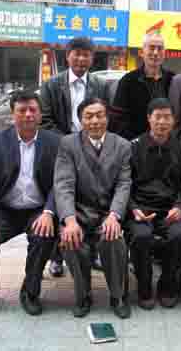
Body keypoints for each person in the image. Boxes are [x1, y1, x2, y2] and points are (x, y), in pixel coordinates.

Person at [0, 91, 59, 316]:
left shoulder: (54, 142)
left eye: (33, 110)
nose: (28, 114)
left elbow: (58, 182)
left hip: (37, 209)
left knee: (44, 236)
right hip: (6, 210)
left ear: (40, 114)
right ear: (13, 115)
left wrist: (49, 212)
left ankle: (30, 292)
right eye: (22, 110)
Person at [54, 98, 132, 319]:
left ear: (107, 118)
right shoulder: (68, 144)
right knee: (71, 240)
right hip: (79, 212)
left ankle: (117, 296)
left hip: (108, 213)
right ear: (80, 120)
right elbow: (63, 184)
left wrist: (115, 215)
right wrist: (69, 220)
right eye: (89, 116)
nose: (95, 121)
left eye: (100, 115)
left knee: (113, 238)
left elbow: (124, 184)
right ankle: (83, 295)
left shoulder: (122, 146)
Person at [40, 36, 109, 277]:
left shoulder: (101, 85)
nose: (81, 58)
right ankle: (57, 256)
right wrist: (71, 144)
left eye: (86, 54)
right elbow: (45, 120)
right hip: (62, 151)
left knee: (94, 199)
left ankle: (96, 251)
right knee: (62, 198)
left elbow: (106, 117)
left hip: (94, 151)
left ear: (92, 58)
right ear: (67, 56)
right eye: (76, 53)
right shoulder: (51, 85)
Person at [125, 98, 181, 310]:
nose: (162, 122)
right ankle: (144, 286)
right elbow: (124, 183)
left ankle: (168, 284)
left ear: (173, 120)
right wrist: (133, 208)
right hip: (140, 209)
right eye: (158, 117)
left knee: (180, 235)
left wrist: (179, 206)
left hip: (170, 209)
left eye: (167, 117)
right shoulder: (133, 147)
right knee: (141, 236)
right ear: (148, 119)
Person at [109, 33, 175, 140]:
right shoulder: (128, 81)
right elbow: (117, 119)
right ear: (142, 52)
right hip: (135, 143)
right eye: (152, 48)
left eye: (160, 48)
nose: (156, 53)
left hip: (166, 142)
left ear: (164, 53)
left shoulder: (173, 80)